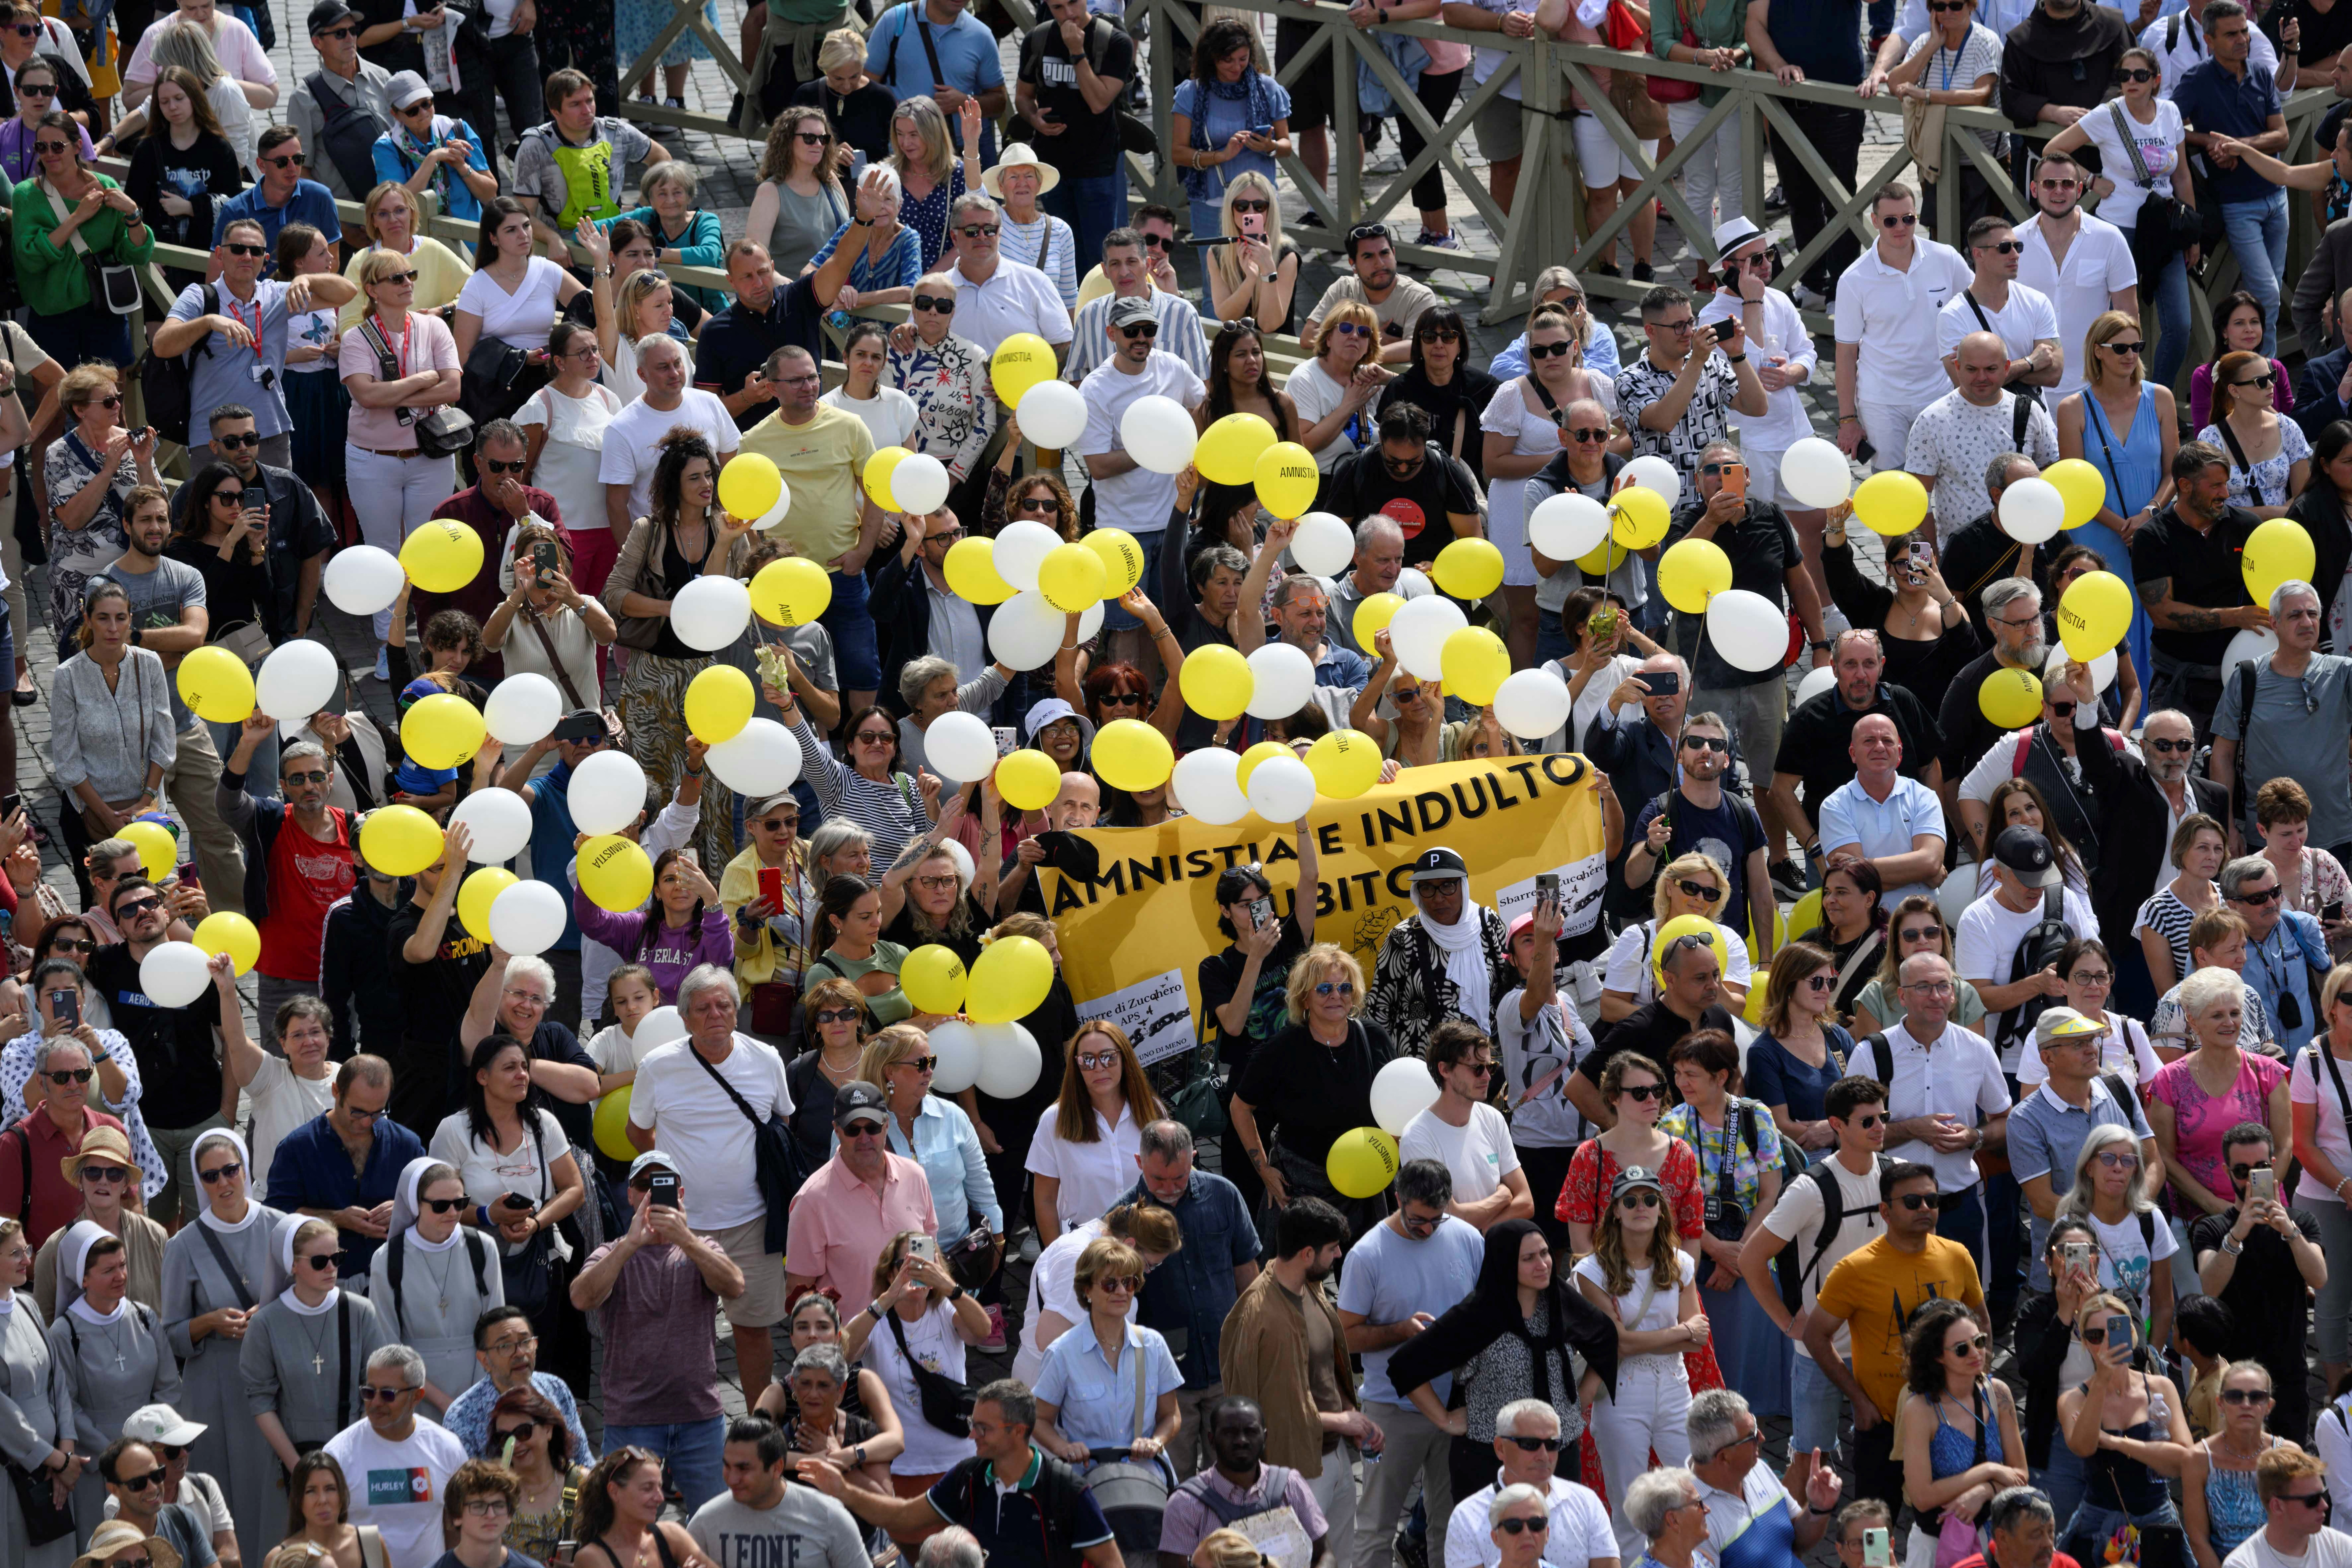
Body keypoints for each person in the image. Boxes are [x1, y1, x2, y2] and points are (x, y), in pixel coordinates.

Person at [1804, 1162, 1989, 1513]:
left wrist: (1977, 1385)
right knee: (1873, 1531)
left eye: (1932, 1200)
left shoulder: (1956, 1255)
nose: (1925, 1209)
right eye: (1912, 1202)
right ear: (1885, 1211)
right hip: (1883, 1425)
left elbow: (1980, 1321)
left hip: (1949, 1422)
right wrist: (1857, 1400)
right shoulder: (1854, 1270)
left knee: (1951, 1528)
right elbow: (1816, 1337)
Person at [567, 1148, 742, 1516]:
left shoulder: (701, 1248)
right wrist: (631, 1244)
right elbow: (581, 1297)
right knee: (626, 1528)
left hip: (699, 1417)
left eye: (664, 1184)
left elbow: (735, 1286)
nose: (654, 1192)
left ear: (680, 1194)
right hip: (632, 1420)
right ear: (631, 1196)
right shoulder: (612, 1251)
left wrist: (687, 1240)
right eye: (645, 1185)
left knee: (717, 1527)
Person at [797, 1379, 1119, 1568]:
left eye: (983, 1428)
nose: (972, 1435)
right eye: (972, 1424)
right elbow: (906, 1516)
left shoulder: (1066, 1491)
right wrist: (843, 1490)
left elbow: (1112, 1564)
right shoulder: (970, 1477)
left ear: (1018, 1432)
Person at [1743, 1076, 1892, 1459]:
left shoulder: (1897, 1176)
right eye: (1868, 1121)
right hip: (1820, 1349)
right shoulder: (1809, 1190)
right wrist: (1787, 1324)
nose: (1880, 1128)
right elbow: (1750, 1258)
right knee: (1812, 1457)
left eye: (1883, 1117)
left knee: (1888, 1453)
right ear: (1837, 1126)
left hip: (1884, 1345)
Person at [1222, 1199, 1382, 1547]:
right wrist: (1343, 1423)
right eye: (1332, 1249)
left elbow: (1325, 1369)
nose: (1339, 1255)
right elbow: (1271, 1411)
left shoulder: (1311, 1289)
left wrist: (1350, 1415)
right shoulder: (1261, 1315)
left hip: (1334, 1456)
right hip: (1296, 1470)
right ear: (1307, 1254)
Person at [161, 1127, 284, 1563]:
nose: (223, 1183)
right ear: (198, 1181)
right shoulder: (183, 1245)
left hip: (272, 1381)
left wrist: (269, 1317)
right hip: (212, 1385)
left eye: (230, 1170)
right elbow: (170, 1332)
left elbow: (307, 1300)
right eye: (210, 1176)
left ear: (245, 1168)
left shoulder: (280, 1229)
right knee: (221, 1496)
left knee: (272, 1493)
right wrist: (207, 1323)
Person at [1657, 1030, 1790, 1419]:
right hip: (1697, 1259)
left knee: (1750, 1375)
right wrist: (1719, 1252)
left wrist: (1740, 1258)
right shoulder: (1672, 1125)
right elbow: (1669, 1207)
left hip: (1752, 1259)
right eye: (1678, 1073)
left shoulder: (1755, 1116)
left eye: (1692, 1074)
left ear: (1721, 1077)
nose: (1682, 1083)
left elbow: (1770, 1194)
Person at [340, 247, 463, 666]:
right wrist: (424, 379)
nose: (408, 282)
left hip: (429, 457)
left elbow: (453, 390)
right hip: (374, 459)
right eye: (396, 278)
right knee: (383, 553)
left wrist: (403, 388)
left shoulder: (433, 327)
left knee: (427, 552)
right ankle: (387, 648)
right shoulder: (358, 337)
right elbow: (366, 395)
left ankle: (432, 645)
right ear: (372, 289)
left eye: (409, 274)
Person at [1232, 945, 1398, 1229]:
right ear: (1304, 998)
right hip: (1304, 1185)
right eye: (1323, 988)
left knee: (1365, 1271)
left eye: (1344, 987)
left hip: (1365, 1178)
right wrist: (1264, 1171)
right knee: (1303, 1272)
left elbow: (1396, 1098)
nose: (1336, 995)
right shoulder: (1281, 1049)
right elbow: (1240, 1107)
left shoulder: (1373, 1037)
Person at [2187, 1122, 2323, 1438]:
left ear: (2273, 1168)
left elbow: (2319, 1276)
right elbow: (2210, 1285)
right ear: (2227, 1172)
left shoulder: (2300, 1222)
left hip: (2288, 1374)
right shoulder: (2212, 1229)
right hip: (2233, 1378)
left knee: (2288, 1469)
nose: (2250, 1178)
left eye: (2260, 1168)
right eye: (2241, 1170)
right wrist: (2238, 1233)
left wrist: (2289, 1231)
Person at [1832, 184, 1978, 473]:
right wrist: (1847, 419)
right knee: (1893, 489)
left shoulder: (1946, 258)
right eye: (1890, 221)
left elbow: (1979, 304)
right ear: (1874, 222)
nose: (1900, 227)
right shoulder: (1853, 279)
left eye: (1908, 219)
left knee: (1952, 478)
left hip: (1939, 392)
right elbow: (1845, 354)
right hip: (1882, 401)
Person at [47, 1222, 178, 1529]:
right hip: (99, 1467)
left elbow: (170, 1386)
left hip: (151, 1457)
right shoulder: (65, 1332)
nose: (120, 1276)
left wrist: (151, 1443)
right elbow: (67, 1405)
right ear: (83, 1277)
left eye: (123, 1265)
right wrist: (115, 1452)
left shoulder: (145, 1318)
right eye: (108, 1270)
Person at [2178, 2, 2291, 357]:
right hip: (2238, 205)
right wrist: (2209, 141)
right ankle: (2263, 373)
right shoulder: (2196, 80)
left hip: (2278, 197)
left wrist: (2235, 146)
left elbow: (2282, 135)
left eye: (2244, 31)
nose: (2242, 39)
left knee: (2263, 300)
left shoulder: (2259, 73)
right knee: (2268, 296)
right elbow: (2169, 129)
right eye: (2231, 34)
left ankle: (2256, 372)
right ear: (2209, 40)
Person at [241, 1217, 394, 1477]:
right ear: (292, 1264)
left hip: (355, 1452)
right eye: (320, 1261)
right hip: (291, 1459)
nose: (331, 1268)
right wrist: (298, 1469)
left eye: (337, 1258)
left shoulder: (359, 1311)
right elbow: (261, 1401)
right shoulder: (266, 1323)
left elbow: (378, 1386)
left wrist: (357, 1454)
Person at [266, 1056, 423, 1282]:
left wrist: (406, 1207)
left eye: (378, 1112)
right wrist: (336, 1218)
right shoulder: (297, 1148)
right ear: (336, 1091)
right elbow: (276, 1216)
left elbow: (434, 1201)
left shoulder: (406, 1144)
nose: (367, 1122)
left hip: (397, 1275)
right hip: (328, 1280)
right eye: (358, 1111)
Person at [510, 67, 670, 257]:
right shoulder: (534, 146)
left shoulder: (616, 132)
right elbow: (524, 215)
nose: (587, 111)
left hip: (616, 241)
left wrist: (640, 207)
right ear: (555, 112)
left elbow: (663, 160)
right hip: (565, 248)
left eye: (590, 101)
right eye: (575, 104)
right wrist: (552, 239)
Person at [1158, 1394, 1329, 1567]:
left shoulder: (1290, 1484)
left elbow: (1326, 1555)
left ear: (1265, 1438)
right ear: (1212, 1440)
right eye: (1229, 1433)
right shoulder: (1185, 1504)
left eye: (1251, 1432)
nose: (1241, 1441)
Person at [0, 1033, 132, 1251]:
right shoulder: (14, 1144)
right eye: (61, 1077)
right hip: (42, 1280)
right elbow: (6, 1233)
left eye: (81, 1074)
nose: (73, 1084)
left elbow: (130, 1202)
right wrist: (47, 1273)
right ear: (41, 1084)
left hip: (109, 1278)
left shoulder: (112, 1130)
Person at [688, 1413, 870, 1568]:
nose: (732, 1479)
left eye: (744, 1469)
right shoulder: (706, 1521)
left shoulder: (828, 1516)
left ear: (777, 1468)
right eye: (727, 1467)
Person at [30, 1123, 163, 1317]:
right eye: (93, 1172)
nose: (103, 1181)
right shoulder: (55, 1248)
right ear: (80, 1181)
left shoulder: (155, 1236)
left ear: (126, 1184)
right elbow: (43, 1324)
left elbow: (171, 1312)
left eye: (114, 1174)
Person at [746, 106, 849, 280]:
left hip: (843, 292)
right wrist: (792, 291)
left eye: (823, 139)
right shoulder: (771, 192)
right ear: (787, 141)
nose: (818, 145)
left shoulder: (830, 180)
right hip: (798, 296)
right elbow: (754, 260)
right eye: (809, 138)